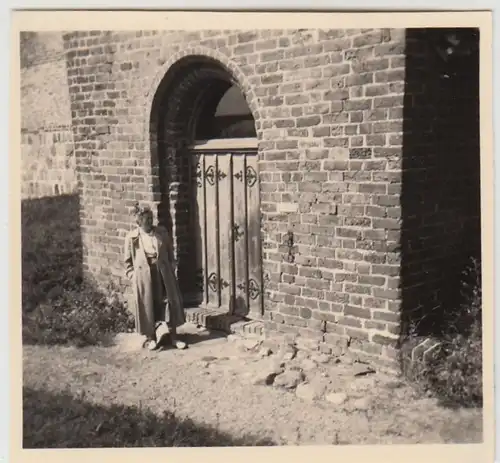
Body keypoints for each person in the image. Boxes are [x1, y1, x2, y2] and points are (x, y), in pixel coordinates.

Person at [124, 203, 187, 351]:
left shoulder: (161, 233)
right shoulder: (132, 238)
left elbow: (170, 252)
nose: (149, 221)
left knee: (168, 302)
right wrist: (133, 276)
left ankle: (174, 337)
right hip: (144, 275)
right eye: (146, 219)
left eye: (151, 218)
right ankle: (151, 337)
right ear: (139, 221)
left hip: (163, 272)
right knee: (148, 304)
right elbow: (127, 262)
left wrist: (172, 266)